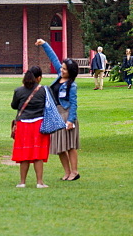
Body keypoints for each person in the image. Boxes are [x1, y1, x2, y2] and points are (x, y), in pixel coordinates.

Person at [36, 38, 80, 181]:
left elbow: (74, 104)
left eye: (64, 69)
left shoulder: (71, 85)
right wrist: (44, 44)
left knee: (70, 146)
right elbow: (53, 57)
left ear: (71, 72)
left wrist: (71, 121)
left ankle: (74, 171)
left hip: (66, 115)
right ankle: (66, 172)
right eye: (61, 68)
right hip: (55, 115)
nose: (61, 70)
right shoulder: (59, 77)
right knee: (60, 146)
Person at [11, 66, 49, 188]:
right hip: (39, 123)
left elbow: (14, 105)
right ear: (37, 78)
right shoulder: (43, 90)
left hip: (23, 125)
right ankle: (39, 182)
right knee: (38, 153)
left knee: (24, 154)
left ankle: (22, 182)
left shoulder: (18, 91)